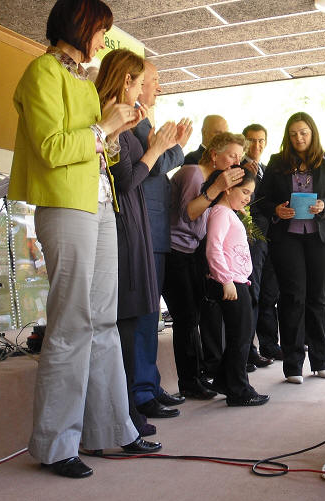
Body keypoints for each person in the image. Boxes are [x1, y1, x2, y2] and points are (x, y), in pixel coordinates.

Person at [8, 0, 160, 479]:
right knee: (72, 323)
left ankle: (111, 428)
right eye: (100, 30)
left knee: (104, 322)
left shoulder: (84, 82)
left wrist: (116, 134)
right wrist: (103, 127)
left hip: (99, 204)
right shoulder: (42, 73)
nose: (102, 40)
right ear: (79, 24)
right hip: (65, 205)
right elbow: (51, 148)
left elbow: (98, 152)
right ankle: (56, 444)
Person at [94, 48, 182, 434]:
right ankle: (128, 408)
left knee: (137, 318)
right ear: (127, 81)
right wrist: (159, 147)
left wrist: (160, 143)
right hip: (121, 222)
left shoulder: (128, 121)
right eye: (144, 82)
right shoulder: (111, 118)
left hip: (134, 220)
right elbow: (128, 179)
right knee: (127, 321)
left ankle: (131, 407)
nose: (151, 89)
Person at [254, 112, 325, 384]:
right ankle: (293, 364)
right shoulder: (277, 162)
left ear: (312, 133)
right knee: (293, 298)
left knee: (319, 297)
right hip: (287, 237)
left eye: (303, 133)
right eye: (293, 134)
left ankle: (321, 360)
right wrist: (276, 210)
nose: (299, 138)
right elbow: (261, 200)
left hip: (321, 237)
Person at [162, 132, 245, 399]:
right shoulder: (193, 173)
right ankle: (189, 381)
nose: (236, 162)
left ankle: (198, 376)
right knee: (186, 318)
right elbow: (189, 213)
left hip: (192, 251)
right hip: (175, 252)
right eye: (232, 156)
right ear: (214, 154)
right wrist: (217, 188)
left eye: (239, 158)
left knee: (194, 316)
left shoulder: (211, 180)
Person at [131, 60, 193, 419]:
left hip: (155, 228)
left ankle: (150, 384)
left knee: (151, 315)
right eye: (154, 80)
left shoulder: (142, 118)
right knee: (143, 316)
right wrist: (178, 147)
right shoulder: (131, 117)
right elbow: (151, 165)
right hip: (143, 229)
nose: (159, 87)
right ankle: (141, 391)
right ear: (135, 82)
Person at [204, 167, 270, 406]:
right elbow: (213, 248)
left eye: (250, 194)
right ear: (228, 188)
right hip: (231, 283)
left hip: (239, 281)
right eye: (244, 192)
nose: (247, 198)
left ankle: (224, 380)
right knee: (241, 337)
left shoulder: (228, 212)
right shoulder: (220, 213)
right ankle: (239, 391)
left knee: (240, 335)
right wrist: (226, 279)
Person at [240, 123, 279, 368]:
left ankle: (269, 344)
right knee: (252, 293)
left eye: (261, 140)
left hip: (272, 237)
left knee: (269, 293)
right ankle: (248, 350)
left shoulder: (266, 168)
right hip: (251, 238)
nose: (257, 145)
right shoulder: (238, 167)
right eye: (252, 140)